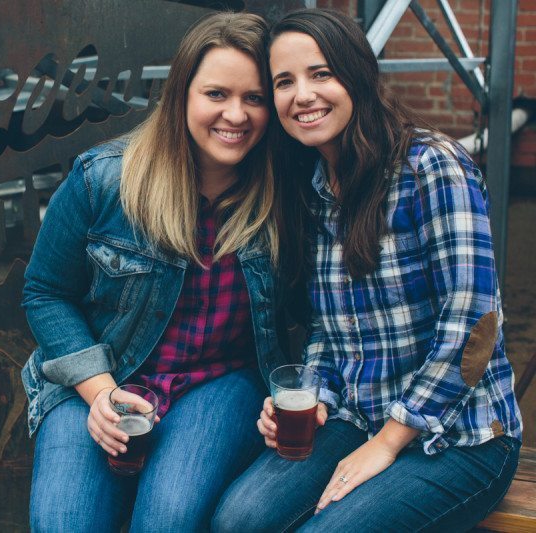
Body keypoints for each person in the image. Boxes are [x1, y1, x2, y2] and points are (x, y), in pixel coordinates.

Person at [213, 8, 523, 532]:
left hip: (463, 436)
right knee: (237, 521)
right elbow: (329, 332)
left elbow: (474, 325)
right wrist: (313, 398)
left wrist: (387, 442)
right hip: (359, 417)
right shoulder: (311, 188)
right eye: (284, 82)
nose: (302, 95)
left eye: (320, 74)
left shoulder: (432, 167)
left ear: (356, 74)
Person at [21, 12, 288, 532]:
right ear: (182, 95)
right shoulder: (103, 180)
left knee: (168, 518)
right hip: (104, 372)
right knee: (62, 523)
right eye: (216, 94)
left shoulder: (285, 196)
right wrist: (98, 393)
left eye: (254, 97)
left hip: (217, 381)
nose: (236, 114)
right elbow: (46, 292)